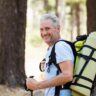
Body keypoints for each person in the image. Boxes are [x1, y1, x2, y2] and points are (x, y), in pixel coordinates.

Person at [26, 13, 74, 96]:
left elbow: (68, 75)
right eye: (41, 29)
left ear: (58, 29)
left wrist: (38, 85)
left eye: (47, 29)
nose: (44, 33)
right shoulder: (52, 48)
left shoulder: (60, 46)